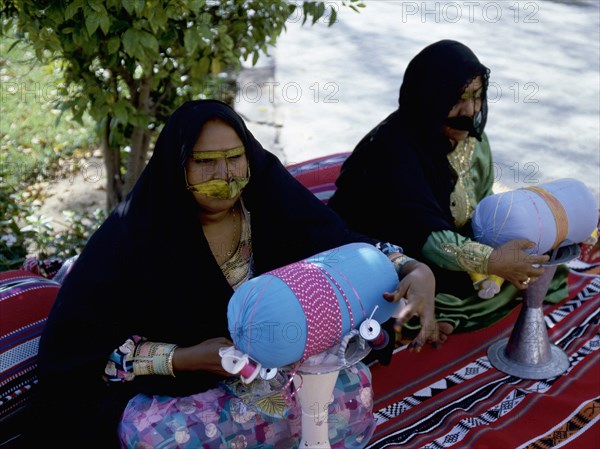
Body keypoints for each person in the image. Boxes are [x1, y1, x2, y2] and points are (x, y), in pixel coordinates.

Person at [26, 100, 442, 449]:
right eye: (205, 163)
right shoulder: (134, 235)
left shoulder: (267, 201)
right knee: (164, 437)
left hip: (271, 368)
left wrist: (412, 268)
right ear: (178, 167)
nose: (224, 177)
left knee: (349, 389)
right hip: (176, 388)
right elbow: (80, 351)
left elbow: (342, 245)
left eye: (234, 158)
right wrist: (185, 359)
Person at [328, 40, 568, 336]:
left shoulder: (470, 140)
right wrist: (491, 260)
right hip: (389, 247)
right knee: (406, 300)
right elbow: (424, 234)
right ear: (428, 98)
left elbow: (482, 204)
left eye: (477, 96)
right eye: (456, 99)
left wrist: (508, 236)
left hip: (444, 241)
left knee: (537, 267)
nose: (469, 110)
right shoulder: (393, 152)